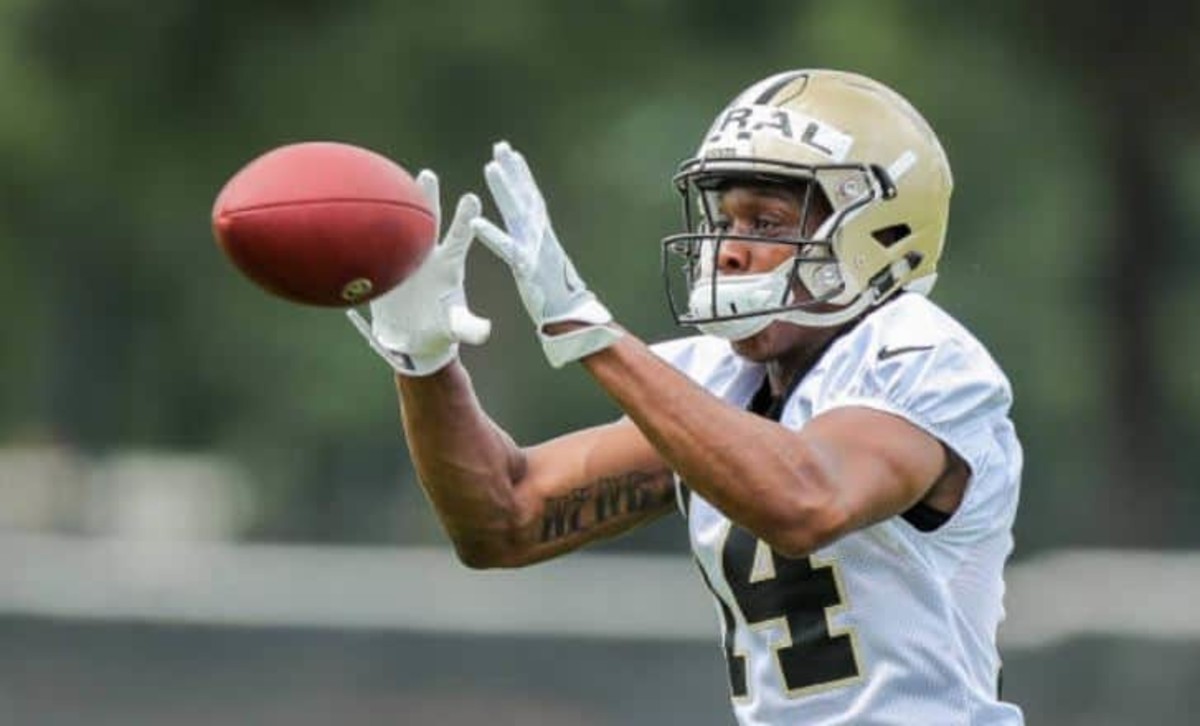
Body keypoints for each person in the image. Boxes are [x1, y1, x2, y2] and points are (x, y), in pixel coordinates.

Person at [348, 69, 1024, 725]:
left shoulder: (925, 357)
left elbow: (807, 501)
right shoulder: (718, 382)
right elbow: (506, 517)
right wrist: (424, 360)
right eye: (726, 220)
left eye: (766, 223)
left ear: (876, 239)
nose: (728, 250)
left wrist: (591, 332)